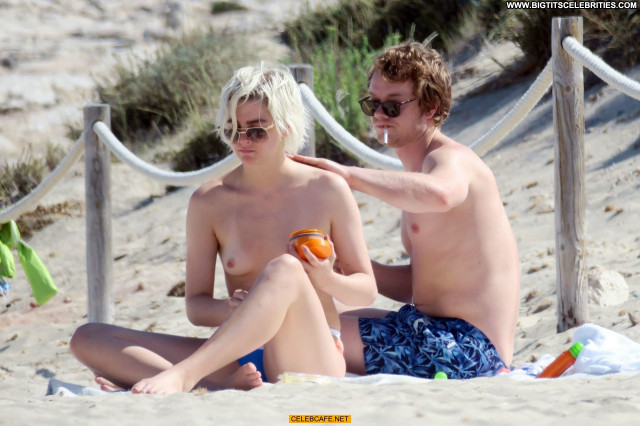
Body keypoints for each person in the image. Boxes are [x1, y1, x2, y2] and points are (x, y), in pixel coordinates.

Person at [70, 63, 377, 394]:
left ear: (286, 125)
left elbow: (366, 290)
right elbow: (196, 306)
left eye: (256, 131)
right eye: (232, 130)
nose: (241, 141)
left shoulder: (326, 189)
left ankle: (185, 376)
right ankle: (211, 384)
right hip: (239, 353)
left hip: (309, 353)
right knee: (88, 337)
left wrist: (325, 279)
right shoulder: (210, 201)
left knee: (286, 269)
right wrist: (228, 308)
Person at [292, 41, 520, 379]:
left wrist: (349, 176)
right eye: (373, 104)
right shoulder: (419, 174)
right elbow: (422, 286)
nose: (379, 115)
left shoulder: (451, 160)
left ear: (430, 107)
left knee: (306, 334)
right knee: (317, 318)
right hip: (439, 331)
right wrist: (344, 266)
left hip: (468, 348)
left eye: (393, 106)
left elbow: (441, 195)